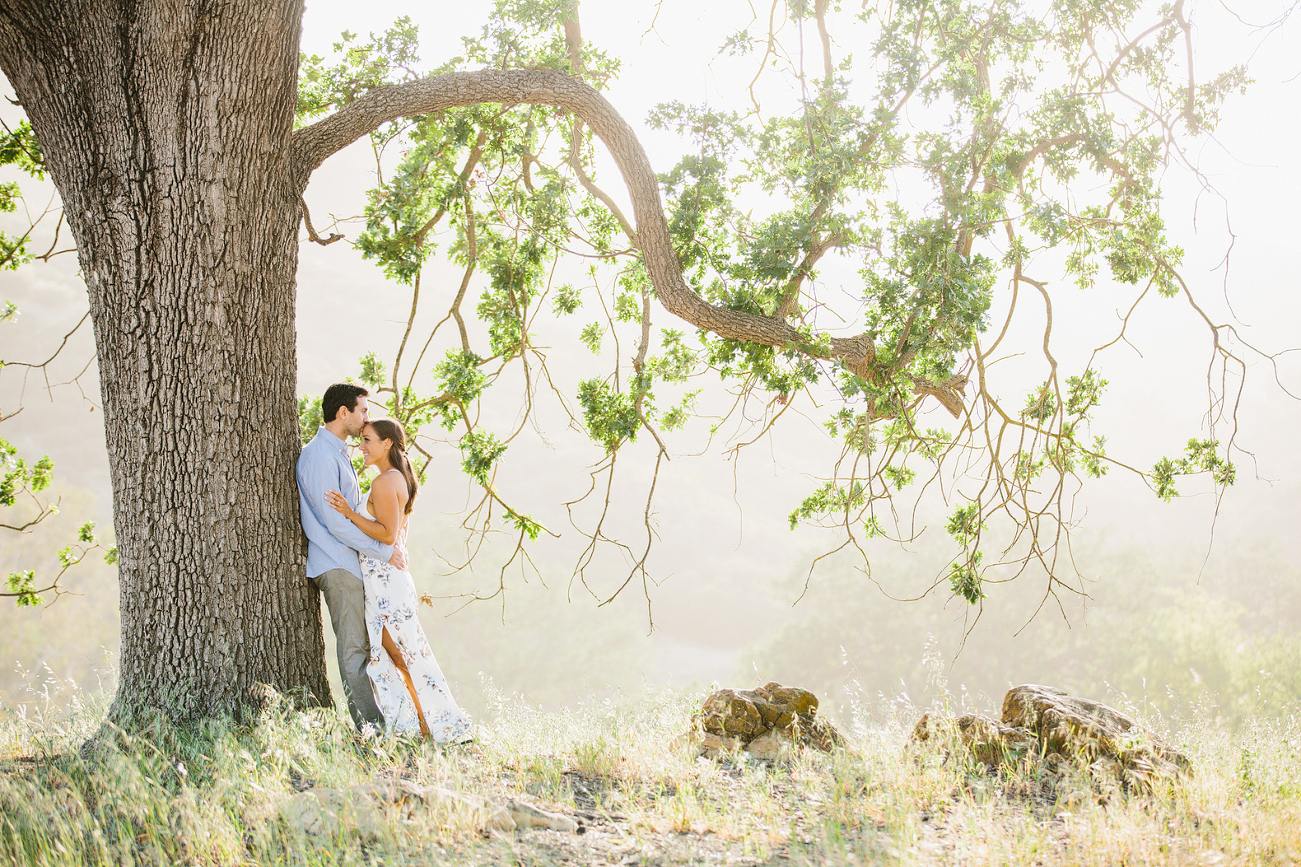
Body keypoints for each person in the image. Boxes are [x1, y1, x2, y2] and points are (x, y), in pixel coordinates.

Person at [325, 418, 472, 743]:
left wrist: (350, 513)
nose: (361, 447)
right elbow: (398, 533)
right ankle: (422, 725)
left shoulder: (384, 481)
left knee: (402, 654)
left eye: (367, 440)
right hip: (385, 580)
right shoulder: (395, 478)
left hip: (386, 584)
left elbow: (388, 534)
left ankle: (432, 726)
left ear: (387, 443)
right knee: (397, 653)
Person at [296, 383, 407, 731]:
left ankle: (388, 720)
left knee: (366, 646)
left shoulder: (338, 453)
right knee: (354, 650)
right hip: (337, 564)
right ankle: (371, 730)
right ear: (343, 413)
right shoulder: (319, 457)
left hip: (349, 563)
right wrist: (383, 551)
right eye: (363, 410)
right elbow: (336, 524)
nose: (366, 418)